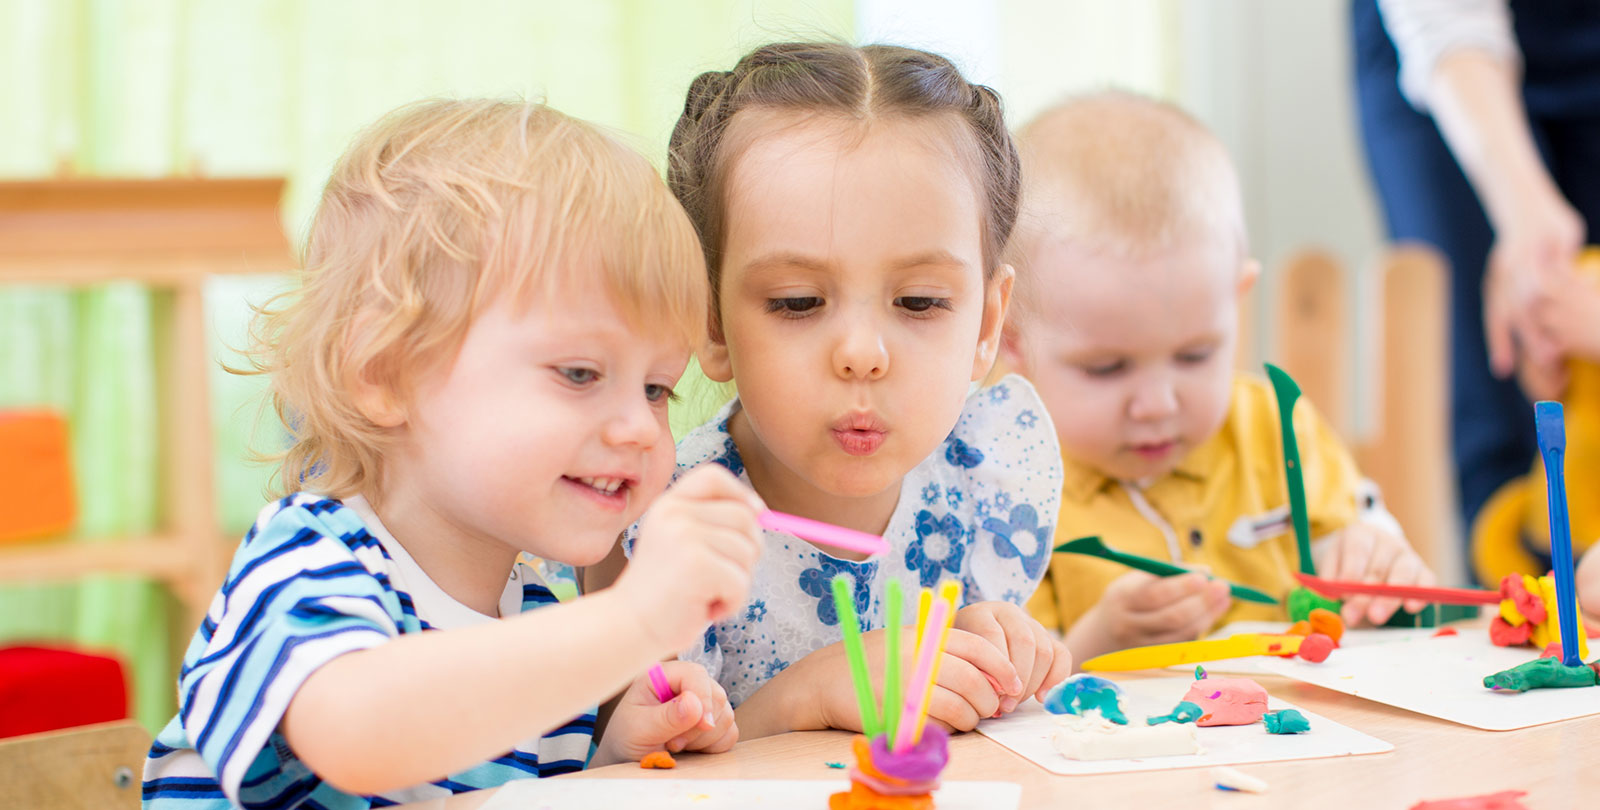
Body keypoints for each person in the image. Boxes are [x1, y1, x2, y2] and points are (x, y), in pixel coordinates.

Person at [141, 99, 765, 809]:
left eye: (657, 388)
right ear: (382, 373)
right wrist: (634, 620)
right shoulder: (308, 563)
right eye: (580, 374)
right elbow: (361, 737)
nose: (640, 430)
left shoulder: (535, 614)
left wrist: (615, 751)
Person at [1005, 92, 1436, 662]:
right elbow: (1005, 700)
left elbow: (1396, 591)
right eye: (1107, 368)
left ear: (1236, 303)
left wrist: (1378, 561)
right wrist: (1095, 643)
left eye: (1195, 355)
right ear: (1008, 339)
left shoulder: (1276, 428)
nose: (1157, 404)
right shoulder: (1002, 480)